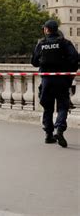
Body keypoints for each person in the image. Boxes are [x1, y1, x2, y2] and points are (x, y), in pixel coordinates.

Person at [31, 19, 78, 148]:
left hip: (47, 80)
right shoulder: (64, 43)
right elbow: (75, 58)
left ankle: (48, 135)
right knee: (63, 106)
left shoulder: (41, 44)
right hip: (62, 80)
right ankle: (60, 129)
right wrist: (69, 72)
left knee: (48, 107)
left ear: (46, 29)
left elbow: (34, 62)